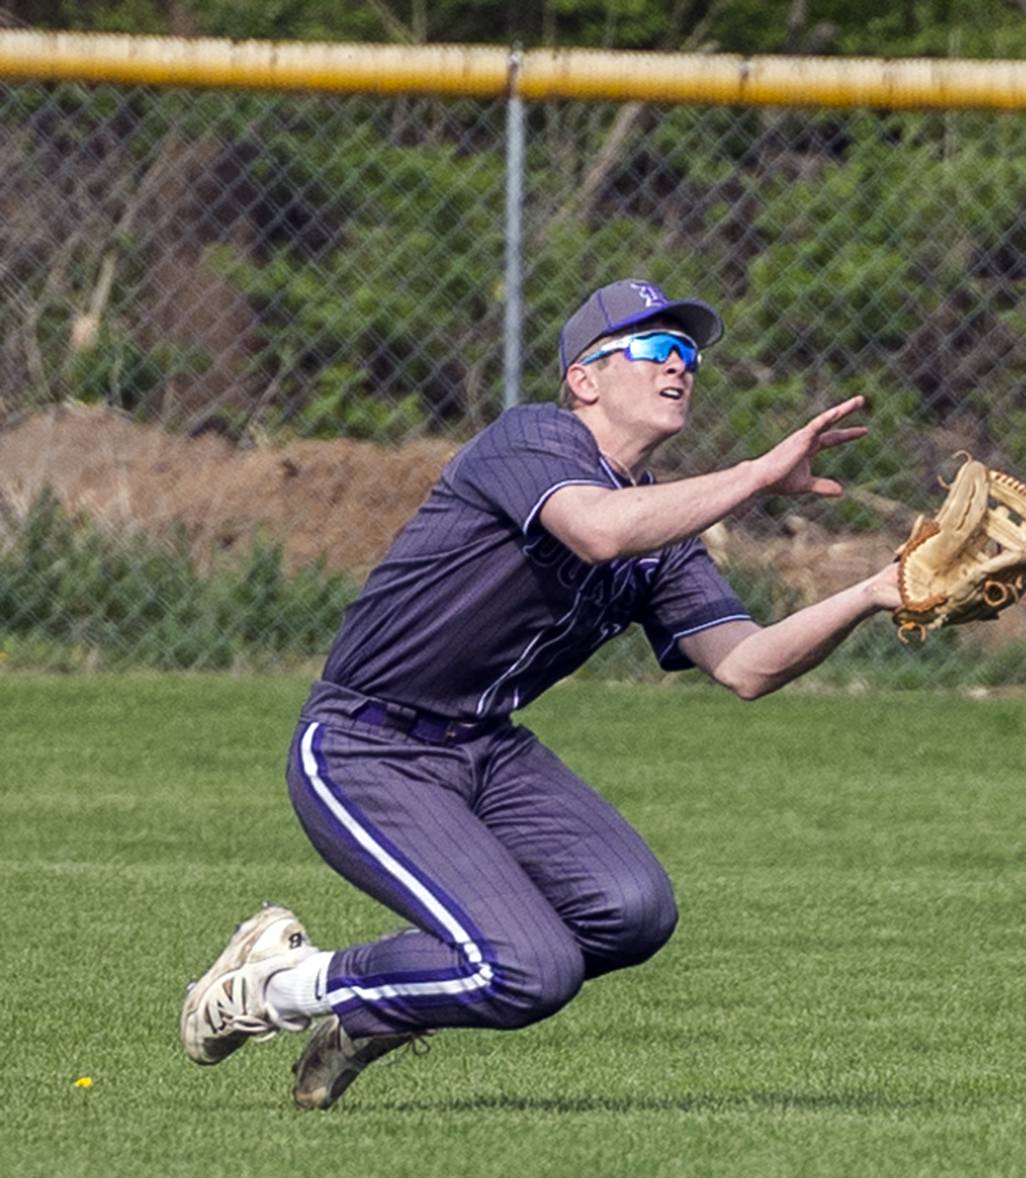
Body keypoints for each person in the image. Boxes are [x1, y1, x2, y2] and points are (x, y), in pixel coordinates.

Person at [180, 278, 902, 1109]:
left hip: (485, 750)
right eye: (658, 349)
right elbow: (596, 530)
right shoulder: (531, 438)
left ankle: (383, 1004)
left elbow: (747, 665)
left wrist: (875, 592)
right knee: (529, 973)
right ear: (584, 379)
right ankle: (276, 985)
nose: (682, 368)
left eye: (690, 355)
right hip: (367, 747)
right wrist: (755, 474)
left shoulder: (660, 533)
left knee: (633, 911)